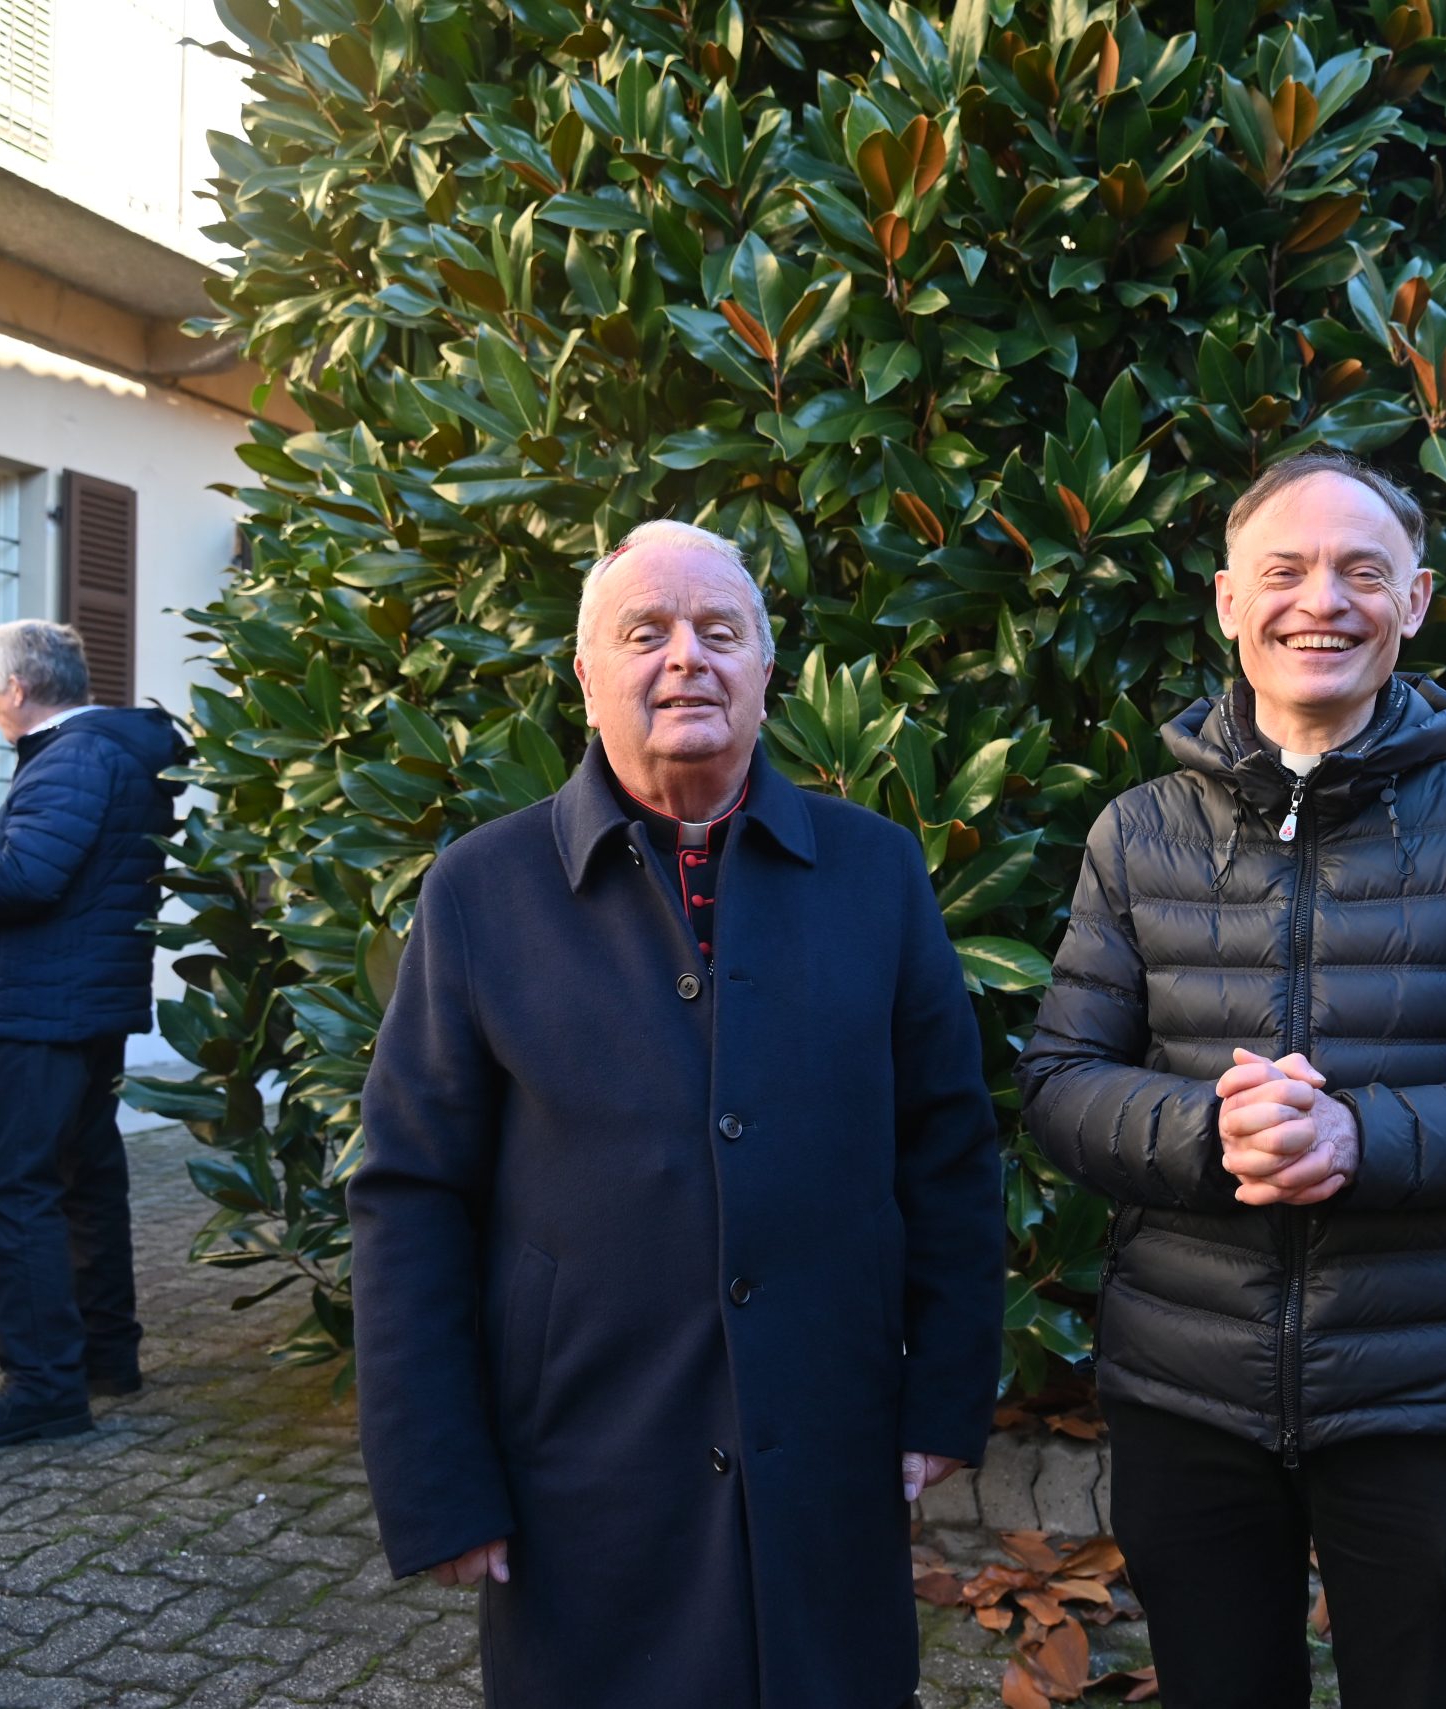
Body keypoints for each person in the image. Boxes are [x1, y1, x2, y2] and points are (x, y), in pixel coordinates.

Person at [1018, 451, 1446, 1709]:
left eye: (1363, 570)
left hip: (1419, 1391)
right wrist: (1210, 1134)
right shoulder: (1136, 832)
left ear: (1414, 600)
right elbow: (1058, 1081)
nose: (1322, 600)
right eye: (1285, 569)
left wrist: (1361, 1138)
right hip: (1184, 1387)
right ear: (1228, 600)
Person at [350, 520, 1002, 1708]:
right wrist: (439, 1474)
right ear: (585, 672)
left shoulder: (876, 871)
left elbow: (947, 1148)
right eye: (644, 631)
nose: (685, 657)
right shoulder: (481, 890)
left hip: (827, 1442)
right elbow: (411, 1193)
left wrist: (945, 1393)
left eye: (719, 629)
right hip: (583, 1460)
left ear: (767, 666)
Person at [0, 620, 184, 1450]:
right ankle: (105, 1354)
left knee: (17, 1190)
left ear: (19, 688)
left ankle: (42, 1386)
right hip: (82, 1002)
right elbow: (58, 860)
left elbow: (27, 879)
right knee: (85, 1177)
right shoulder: (102, 750)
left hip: (39, 1009)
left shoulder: (73, 756)